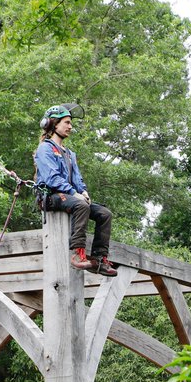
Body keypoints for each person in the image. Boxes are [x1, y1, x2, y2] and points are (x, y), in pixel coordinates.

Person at [34, 104, 117, 276]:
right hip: (50, 196)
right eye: (67, 122)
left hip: (69, 195)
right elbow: (52, 178)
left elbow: (77, 179)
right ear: (53, 124)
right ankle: (78, 254)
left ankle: (99, 260)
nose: (70, 127)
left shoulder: (70, 154)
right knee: (81, 206)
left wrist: (83, 191)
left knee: (104, 213)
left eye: (70, 123)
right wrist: (73, 193)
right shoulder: (45, 148)